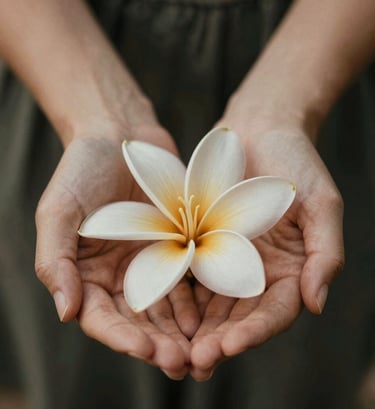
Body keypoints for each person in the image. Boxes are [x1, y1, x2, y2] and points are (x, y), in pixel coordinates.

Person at [0, 0, 374, 408]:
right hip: (57, 60)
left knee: (287, 380)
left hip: (323, 56)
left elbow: (268, 213)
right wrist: (96, 115)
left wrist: (284, 103)